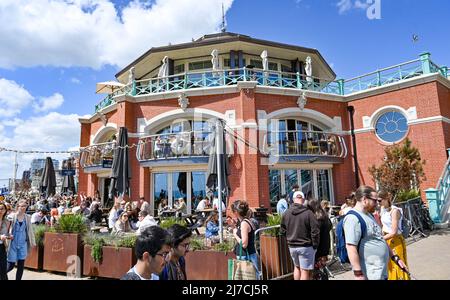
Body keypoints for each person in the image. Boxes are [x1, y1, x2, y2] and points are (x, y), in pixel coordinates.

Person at [343, 186, 408, 280]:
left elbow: (379, 238)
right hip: (370, 275)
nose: (377, 204)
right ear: (365, 199)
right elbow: (350, 247)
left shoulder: (369, 215)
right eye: (375, 200)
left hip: (381, 273)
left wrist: (395, 258)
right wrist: (358, 274)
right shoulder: (352, 218)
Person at [280, 191, 319, 280]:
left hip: (292, 246)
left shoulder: (286, 213)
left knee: (297, 267)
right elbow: (315, 230)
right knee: (304, 270)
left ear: (293, 200)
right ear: (303, 199)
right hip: (306, 246)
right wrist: (315, 245)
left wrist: (289, 238)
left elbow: (282, 230)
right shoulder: (309, 213)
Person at [379, 190, 410, 280]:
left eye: (379, 200)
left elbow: (394, 232)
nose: (378, 203)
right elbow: (383, 226)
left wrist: (380, 239)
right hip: (386, 239)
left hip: (395, 241)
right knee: (389, 266)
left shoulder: (394, 211)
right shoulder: (382, 209)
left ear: (386, 199)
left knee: (399, 266)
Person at [6, 200, 36, 280]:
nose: (23, 208)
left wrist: (33, 242)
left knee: (21, 264)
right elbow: (7, 228)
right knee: (10, 265)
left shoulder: (28, 217)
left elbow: (30, 230)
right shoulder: (11, 216)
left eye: (25, 206)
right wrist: (8, 234)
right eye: (21, 206)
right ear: (18, 207)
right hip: (13, 243)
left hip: (23, 243)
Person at [231, 200, 260, 279]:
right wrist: (235, 228)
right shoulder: (246, 221)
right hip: (249, 255)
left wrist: (235, 235)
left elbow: (244, 244)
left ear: (236, 212)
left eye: (233, 211)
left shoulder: (244, 223)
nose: (232, 213)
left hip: (246, 257)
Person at [308, 198, 332, 278]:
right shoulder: (325, 215)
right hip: (325, 245)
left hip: (318, 246)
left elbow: (315, 233)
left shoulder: (315, 218)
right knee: (323, 266)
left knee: (316, 268)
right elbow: (330, 226)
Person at [0, 202, 11, 280]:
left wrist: (9, 235)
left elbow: (6, 233)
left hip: (2, 246)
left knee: (3, 268)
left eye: (2, 208)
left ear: (5, 210)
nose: (0, 210)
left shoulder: (7, 221)